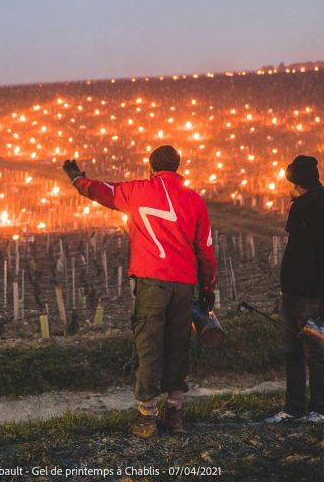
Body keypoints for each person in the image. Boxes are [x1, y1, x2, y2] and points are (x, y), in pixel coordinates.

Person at [63, 145, 217, 439]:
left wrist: (76, 178)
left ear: (151, 167)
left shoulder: (136, 191)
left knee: (150, 344)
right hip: (184, 284)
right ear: (178, 166)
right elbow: (206, 250)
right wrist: (208, 287)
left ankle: (147, 418)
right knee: (178, 345)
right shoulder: (194, 200)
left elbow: (100, 190)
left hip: (151, 281)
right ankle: (175, 416)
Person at [266, 155, 324, 424]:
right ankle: (300, 409)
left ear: (296, 182)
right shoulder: (319, 207)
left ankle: (314, 408)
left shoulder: (318, 210)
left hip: (308, 295)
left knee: (311, 354)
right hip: (294, 293)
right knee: (297, 353)